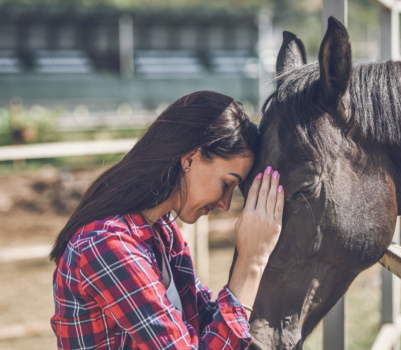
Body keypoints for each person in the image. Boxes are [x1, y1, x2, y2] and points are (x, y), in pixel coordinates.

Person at [50, 91, 284, 350]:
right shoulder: (107, 245)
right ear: (190, 159)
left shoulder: (163, 234)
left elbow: (207, 321)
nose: (225, 204)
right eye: (227, 184)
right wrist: (251, 261)